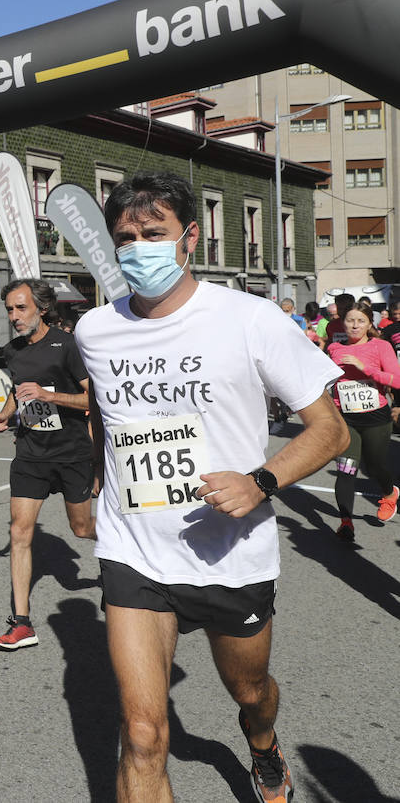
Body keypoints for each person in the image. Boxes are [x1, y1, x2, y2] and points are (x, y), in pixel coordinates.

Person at [77, 171, 348, 803]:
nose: (138, 248)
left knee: (250, 692)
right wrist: (94, 484)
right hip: (134, 549)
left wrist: (261, 482)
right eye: (125, 239)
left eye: (154, 234)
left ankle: (261, 740)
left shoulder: (250, 319)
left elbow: (331, 431)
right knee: (142, 734)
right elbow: (105, 413)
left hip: (231, 550)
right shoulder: (95, 330)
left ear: (190, 237)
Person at [0, 278, 94, 651]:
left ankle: (121, 548)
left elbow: (93, 398)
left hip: (71, 452)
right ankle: (22, 624)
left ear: (42, 309)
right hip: (31, 453)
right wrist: (4, 414)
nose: (14, 316)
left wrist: (49, 395)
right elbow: (19, 392)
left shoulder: (67, 345)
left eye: (21, 308)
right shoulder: (12, 351)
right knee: (19, 532)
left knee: (82, 528)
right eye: (10, 309)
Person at [325, 305, 400, 537]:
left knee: (375, 466)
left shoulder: (381, 346)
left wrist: (365, 368)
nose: (355, 325)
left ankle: (389, 494)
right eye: (350, 320)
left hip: (376, 418)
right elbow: (327, 382)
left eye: (360, 321)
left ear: (369, 324)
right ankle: (346, 522)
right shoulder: (335, 348)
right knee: (346, 469)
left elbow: (397, 380)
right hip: (345, 419)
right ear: (343, 323)